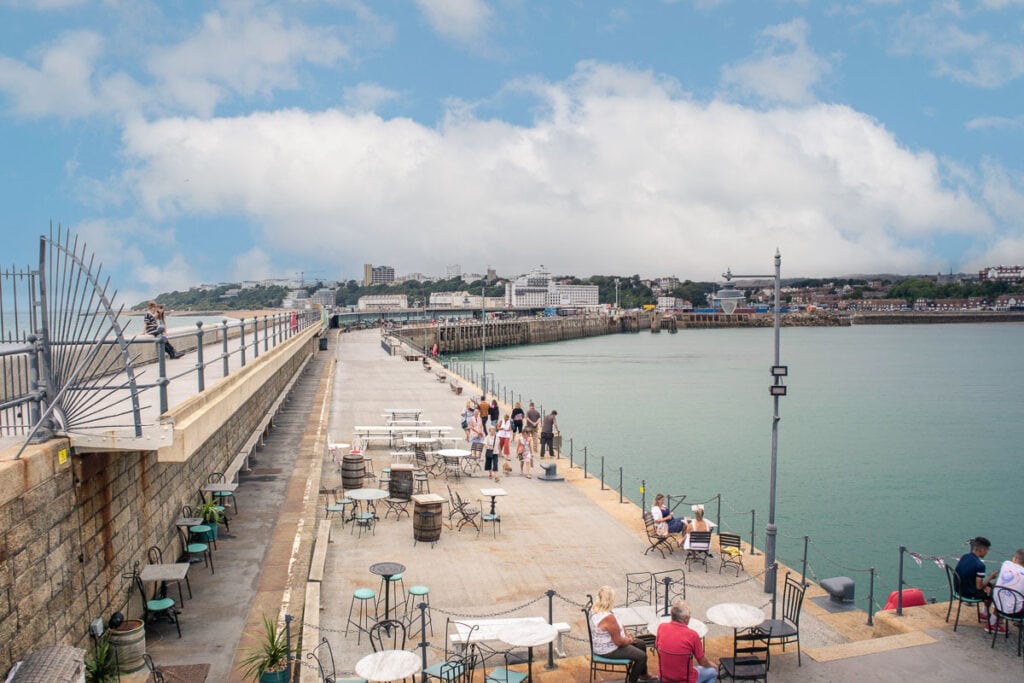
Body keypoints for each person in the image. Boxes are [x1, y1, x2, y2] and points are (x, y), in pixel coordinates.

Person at [589, 586, 656, 683]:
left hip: (606, 644)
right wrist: (629, 640)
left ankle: (643, 674)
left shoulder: (596, 609)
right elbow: (619, 642)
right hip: (608, 649)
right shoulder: (608, 617)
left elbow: (618, 624)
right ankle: (631, 681)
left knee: (641, 644)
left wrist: (627, 632)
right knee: (641, 657)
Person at [655, 598, 717, 683]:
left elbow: (659, 646)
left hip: (664, 676)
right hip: (684, 679)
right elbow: (702, 662)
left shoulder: (661, 627)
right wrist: (712, 664)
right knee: (712, 672)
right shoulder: (692, 635)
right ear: (686, 619)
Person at [954, 536, 998, 626]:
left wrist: (986, 586)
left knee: (990, 586)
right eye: (987, 550)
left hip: (958, 588)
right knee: (997, 592)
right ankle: (993, 622)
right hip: (968, 593)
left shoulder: (964, 557)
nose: (987, 552)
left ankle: (984, 614)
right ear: (981, 550)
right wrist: (990, 577)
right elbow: (979, 587)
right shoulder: (980, 565)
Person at [993, 548, 1024, 623]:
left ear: (1015, 558)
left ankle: (992, 622)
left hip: (998, 605)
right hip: (1014, 612)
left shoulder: (1006, 564)